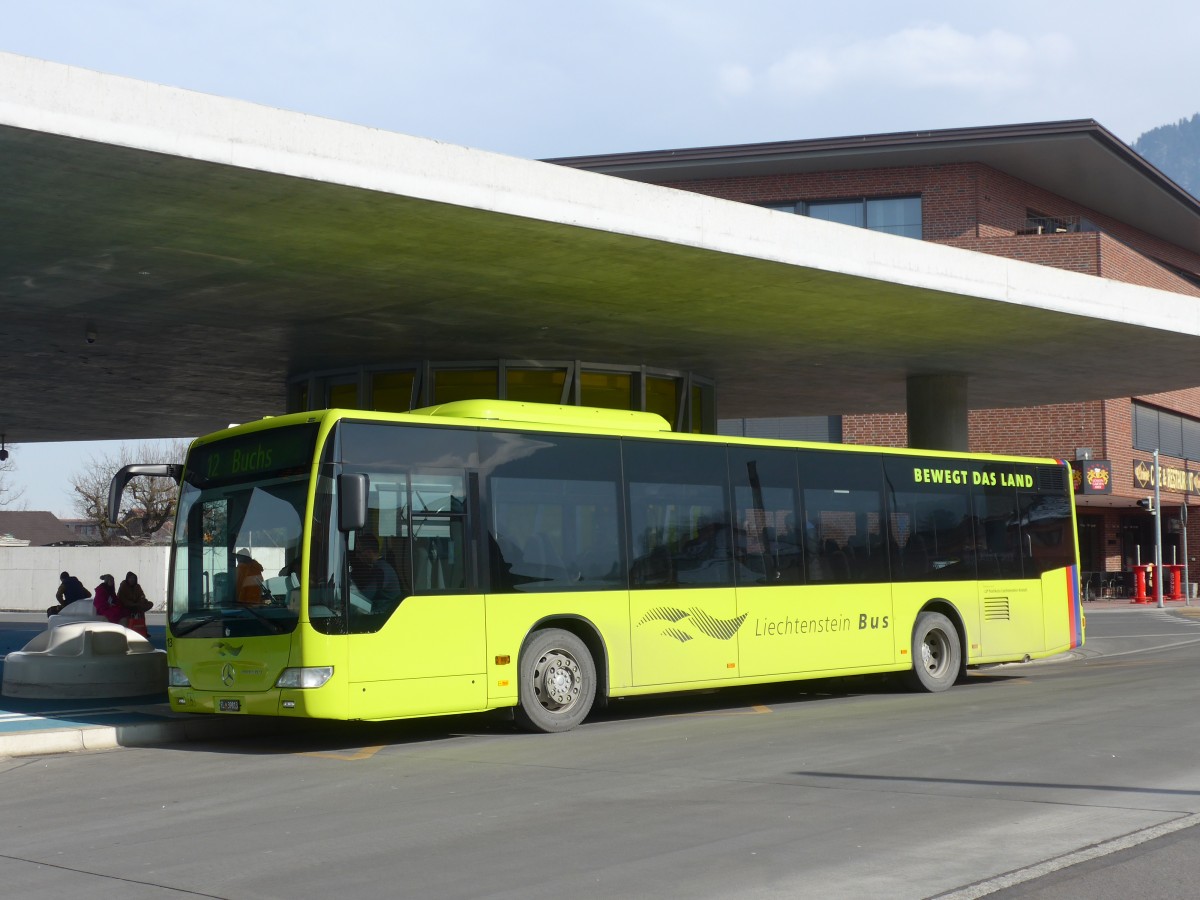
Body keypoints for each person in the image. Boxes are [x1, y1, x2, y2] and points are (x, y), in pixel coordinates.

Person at [349, 532, 401, 612]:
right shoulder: (379, 566)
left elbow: (365, 597)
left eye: (359, 552)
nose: (357, 556)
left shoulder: (381, 571)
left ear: (369, 552)